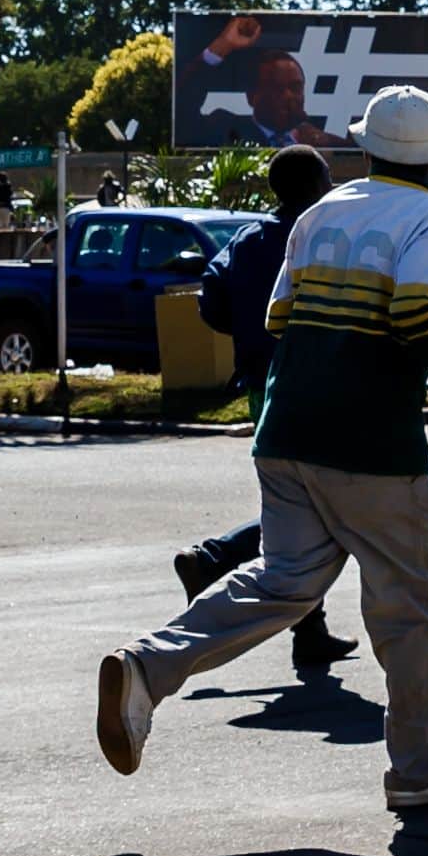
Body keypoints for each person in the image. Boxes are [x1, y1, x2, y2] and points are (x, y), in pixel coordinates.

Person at [98, 87, 428, 811]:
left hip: (284, 428)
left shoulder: (321, 211)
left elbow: (279, 313)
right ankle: (414, 772)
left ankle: (146, 668)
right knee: (409, 606)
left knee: (283, 581)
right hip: (371, 440)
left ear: (366, 147)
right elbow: (414, 308)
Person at [171, 147, 346, 671]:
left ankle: (308, 630)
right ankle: (219, 557)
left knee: (297, 503)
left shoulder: (247, 240)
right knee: (323, 506)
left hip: (262, 383)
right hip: (316, 384)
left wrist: (251, 337)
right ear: (316, 185)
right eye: (329, 177)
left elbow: (211, 300)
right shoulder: (325, 239)